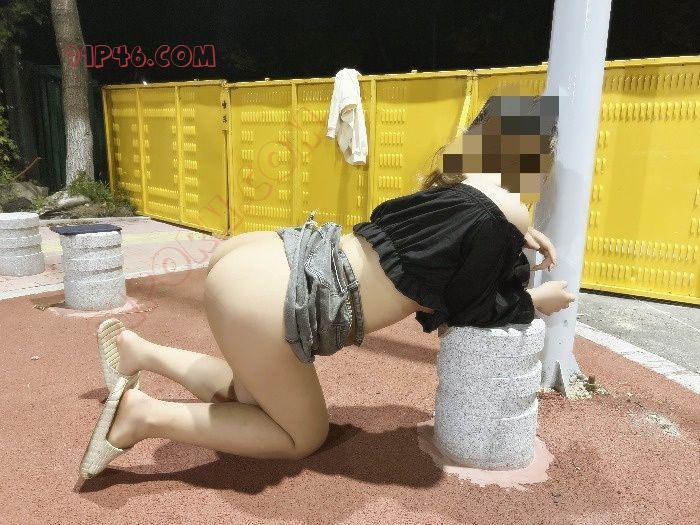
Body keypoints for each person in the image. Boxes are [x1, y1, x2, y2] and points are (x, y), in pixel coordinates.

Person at [79, 95, 575, 479]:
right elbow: (470, 313)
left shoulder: (450, 187)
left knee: (254, 395)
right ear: (538, 161)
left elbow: (460, 243)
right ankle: (142, 416)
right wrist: (536, 300)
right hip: (278, 300)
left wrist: (511, 235)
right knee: (301, 436)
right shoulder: (507, 211)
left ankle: (138, 352)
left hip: (270, 257)